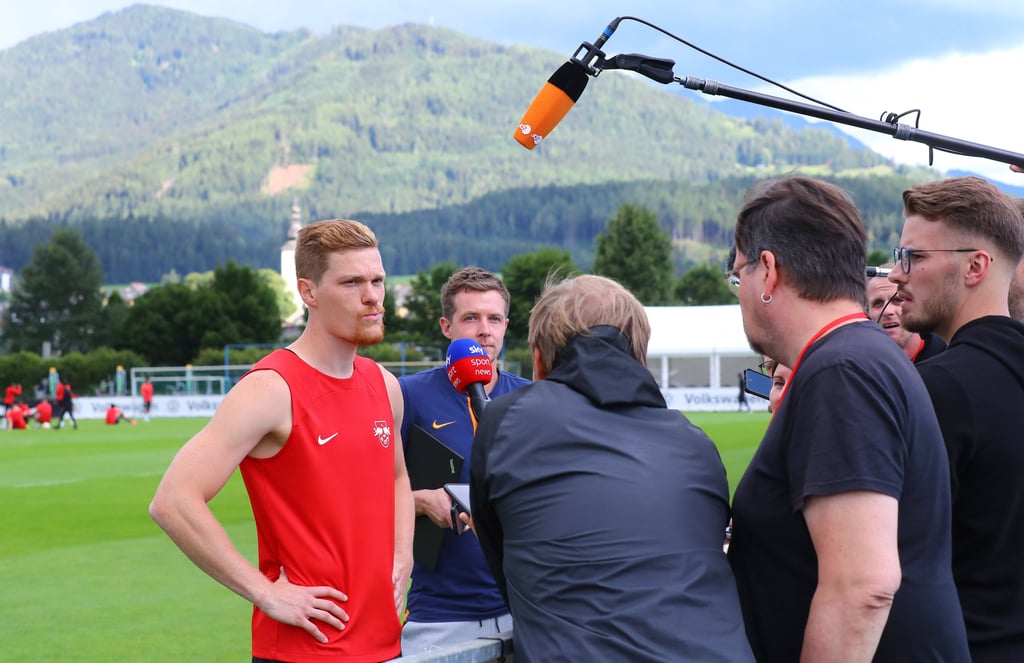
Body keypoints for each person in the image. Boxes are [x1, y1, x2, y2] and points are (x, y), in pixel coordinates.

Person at [726, 175, 969, 662]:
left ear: (768, 272)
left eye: (739, 277)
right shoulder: (856, 356)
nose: (741, 293)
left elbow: (863, 586)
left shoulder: (842, 370)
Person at [149, 218, 414, 662]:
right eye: (351, 282)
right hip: (302, 650)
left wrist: (403, 558)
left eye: (377, 280)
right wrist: (266, 594)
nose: (371, 296)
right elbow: (173, 501)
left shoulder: (383, 384)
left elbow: (397, 477)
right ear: (308, 292)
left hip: (384, 642)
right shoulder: (272, 389)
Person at [470, 274, 755, 662]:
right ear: (639, 355)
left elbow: (504, 563)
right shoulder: (695, 443)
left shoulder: (508, 419)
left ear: (538, 360)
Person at [887, 176, 1024, 662]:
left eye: (915, 258)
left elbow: (886, 567)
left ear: (975, 267)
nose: (897, 274)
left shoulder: (937, 390)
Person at [398, 267, 529, 654]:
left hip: (522, 611)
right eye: (470, 318)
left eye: (493, 319)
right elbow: (360, 491)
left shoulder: (533, 399)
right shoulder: (407, 396)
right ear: (446, 326)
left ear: (506, 325)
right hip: (440, 615)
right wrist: (420, 501)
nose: (483, 330)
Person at [867, 265, 945, 362]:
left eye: (898, 300)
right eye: (877, 303)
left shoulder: (950, 357)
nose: (887, 311)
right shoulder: (860, 367)